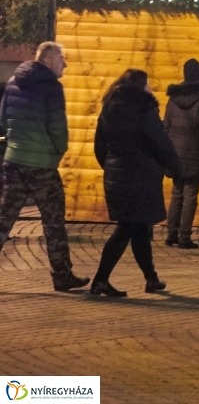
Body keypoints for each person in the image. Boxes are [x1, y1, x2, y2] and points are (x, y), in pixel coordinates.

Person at [0, 42, 89, 293]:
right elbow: (57, 127)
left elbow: (3, 119)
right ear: (49, 60)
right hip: (42, 166)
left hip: (13, 161)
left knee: (4, 220)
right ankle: (62, 275)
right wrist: (57, 152)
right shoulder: (52, 88)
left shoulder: (13, 83)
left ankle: (63, 275)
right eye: (62, 58)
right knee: (53, 222)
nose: (65, 63)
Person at [91, 68, 183, 297]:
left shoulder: (108, 108)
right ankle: (100, 280)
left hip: (118, 175)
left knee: (139, 227)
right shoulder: (144, 109)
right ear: (140, 87)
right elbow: (160, 141)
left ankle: (151, 279)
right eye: (148, 84)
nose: (150, 88)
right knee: (127, 229)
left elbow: (99, 146)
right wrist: (176, 167)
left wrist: (112, 167)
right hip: (140, 176)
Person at [164, 58, 199, 249]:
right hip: (196, 150)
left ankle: (171, 234)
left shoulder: (173, 99)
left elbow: (166, 125)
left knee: (176, 193)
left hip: (175, 152)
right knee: (190, 195)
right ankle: (185, 237)